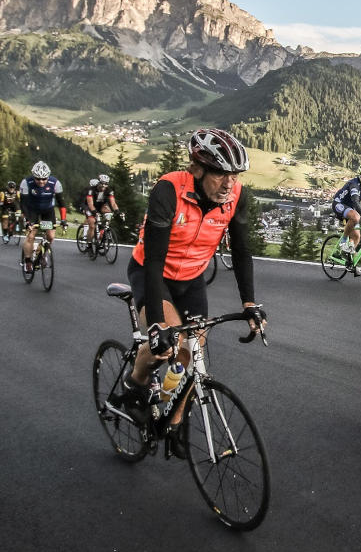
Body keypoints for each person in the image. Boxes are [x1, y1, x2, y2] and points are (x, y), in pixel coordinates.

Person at [112, 128, 264, 432]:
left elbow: (242, 250)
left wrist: (249, 303)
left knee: (193, 353)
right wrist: (156, 324)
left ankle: (175, 420)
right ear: (197, 169)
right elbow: (154, 261)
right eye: (221, 174)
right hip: (152, 273)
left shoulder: (236, 196)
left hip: (192, 278)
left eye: (234, 175)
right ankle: (133, 385)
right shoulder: (168, 190)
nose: (229, 184)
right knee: (166, 346)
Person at [19, 161, 67, 272]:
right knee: (31, 236)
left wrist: (64, 219)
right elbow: (23, 204)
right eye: (38, 179)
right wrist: (27, 220)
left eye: (44, 179)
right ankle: (27, 261)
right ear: (33, 176)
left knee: (50, 237)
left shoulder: (55, 183)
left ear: (48, 177)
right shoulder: (26, 183)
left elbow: (62, 204)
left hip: (48, 211)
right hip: (31, 211)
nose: (41, 181)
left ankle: (42, 253)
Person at [84, 174, 119, 246]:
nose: (103, 185)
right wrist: (95, 212)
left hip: (100, 206)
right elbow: (90, 204)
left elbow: (113, 203)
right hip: (90, 207)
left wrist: (117, 211)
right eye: (102, 183)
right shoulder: (91, 190)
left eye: (106, 184)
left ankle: (103, 230)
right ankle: (89, 244)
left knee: (109, 213)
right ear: (98, 182)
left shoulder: (109, 190)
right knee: (92, 224)